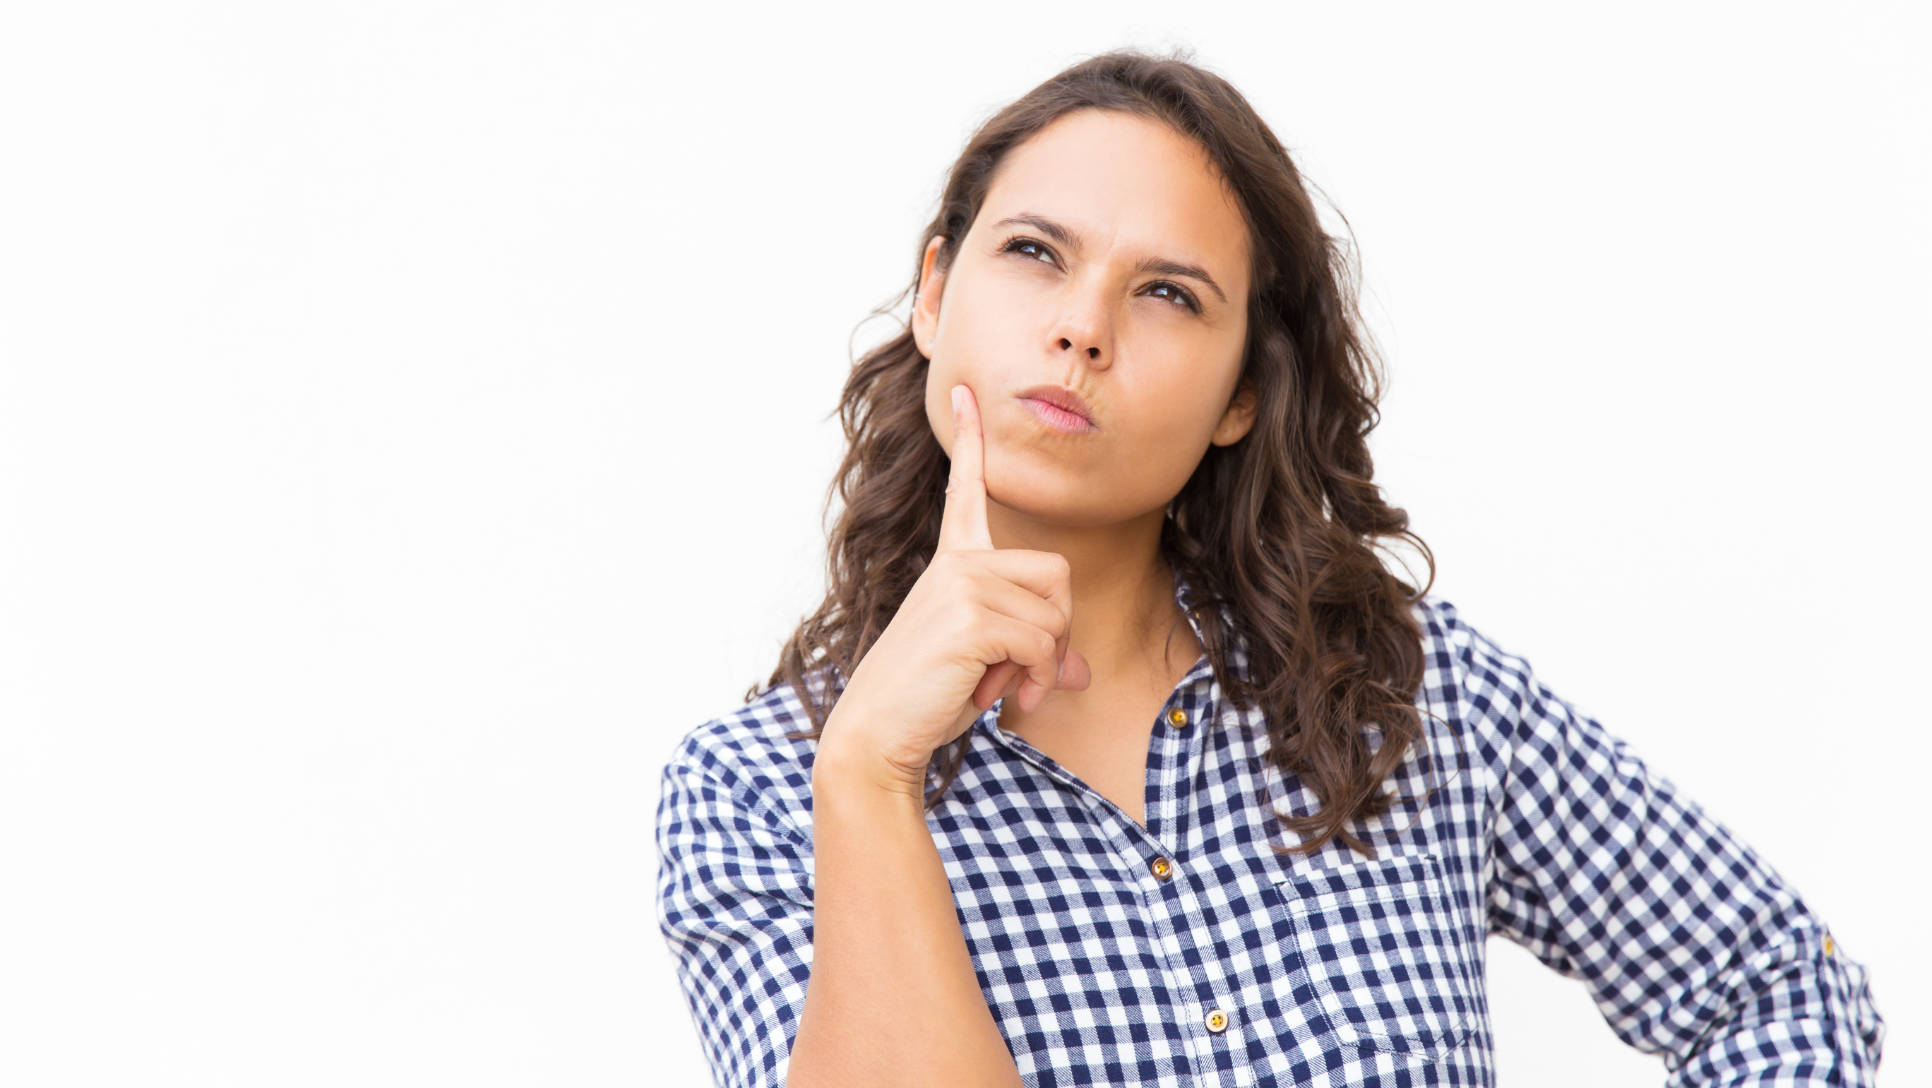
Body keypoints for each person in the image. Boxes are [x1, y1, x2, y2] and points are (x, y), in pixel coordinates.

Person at [653, 47, 1885, 1088]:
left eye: (1170, 294)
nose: (1084, 325)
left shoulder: (1404, 693)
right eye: (1035, 252)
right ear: (934, 291)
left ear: (1243, 392)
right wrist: (870, 777)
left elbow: (1777, 985)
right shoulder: (760, 795)